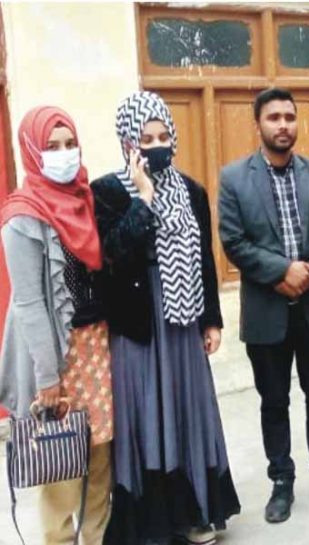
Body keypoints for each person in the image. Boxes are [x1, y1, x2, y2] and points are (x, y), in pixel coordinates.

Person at [92, 91, 239, 545]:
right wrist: (144, 198)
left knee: (187, 410)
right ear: (127, 142)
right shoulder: (107, 191)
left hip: (182, 318)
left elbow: (205, 260)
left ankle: (193, 514)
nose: (157, 146)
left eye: (163, 137)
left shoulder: (192, 190)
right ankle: (153, 522)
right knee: (145, 413)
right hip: (137, 323)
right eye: (146, 139)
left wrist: (211, 320)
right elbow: (112, 256)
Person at [218, 87, 309, 523]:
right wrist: (282, 271)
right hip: (267, 311)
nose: (283, 125)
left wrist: (308, 272)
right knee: (274, 402)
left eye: (289, 117)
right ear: (258, 124)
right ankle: (281, 481)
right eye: (274, 117)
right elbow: (233, 241)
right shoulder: (234, 178)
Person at [0, 106, 112, 544]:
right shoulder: (22, 216)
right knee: (61, 466)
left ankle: (97, 538)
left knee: (100, 457)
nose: (64, 154)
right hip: (59, 355)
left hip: (98, 347)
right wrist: (47, 377)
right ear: (32, 151)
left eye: (70, 144)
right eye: (52, 146)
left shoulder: (86, 199)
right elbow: (29, 304)